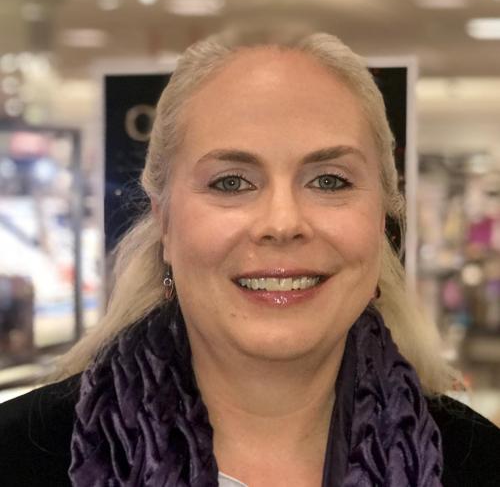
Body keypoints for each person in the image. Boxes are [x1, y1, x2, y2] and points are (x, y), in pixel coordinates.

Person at [1, 28, 499, 487]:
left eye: (329, 180)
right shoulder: (19, 454)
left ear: (381, 219)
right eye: (231, 183)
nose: (282, 223)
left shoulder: (478, 462)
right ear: (165, 224)